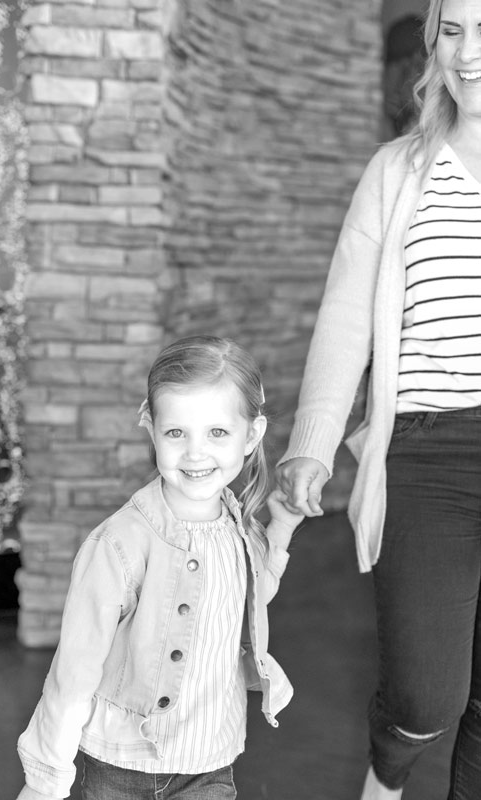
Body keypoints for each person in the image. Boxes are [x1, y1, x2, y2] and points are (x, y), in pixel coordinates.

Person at [276, 1, 481, 798]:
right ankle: (386, 779)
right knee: (425, 695)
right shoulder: (397, 169)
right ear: (434, 45)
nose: (469, 52)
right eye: (454, 30)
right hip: (424, 455)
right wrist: (311, 445)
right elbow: (344, 316)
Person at [16, 335, 303, 800]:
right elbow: (76, 668)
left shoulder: (239, 527)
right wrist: (45, 778)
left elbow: (251, 600)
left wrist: (283, 528)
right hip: (119, 765)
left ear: (251, 435)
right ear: (151, 427)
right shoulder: (121, 542)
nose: (195, 453)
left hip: (211, 761)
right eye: (176, 433)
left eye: (217, 432)